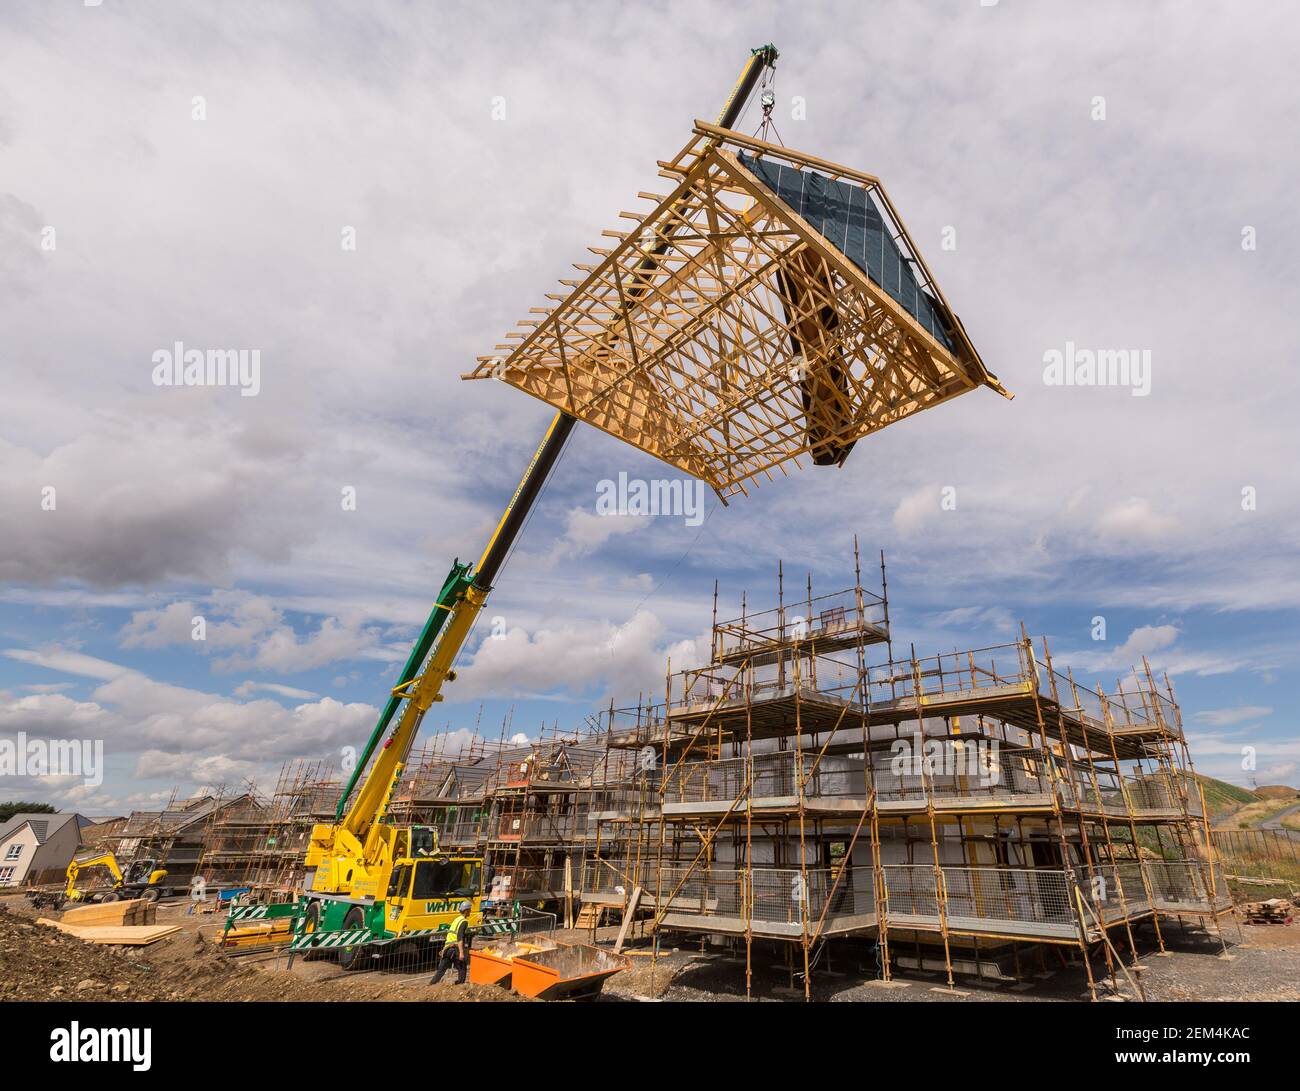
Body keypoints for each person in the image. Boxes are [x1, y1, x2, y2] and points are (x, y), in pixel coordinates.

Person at [431, 900, 472, 985]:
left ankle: (431, 984)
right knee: (462, 967)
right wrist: (461, 952)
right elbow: (460, 937)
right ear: (466, 910)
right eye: (469, 909)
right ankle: (460, 985)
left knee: (441, 970)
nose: (470, 911)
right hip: (455, 948)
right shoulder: (464, 921)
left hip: (447, 948)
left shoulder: (457, 919)